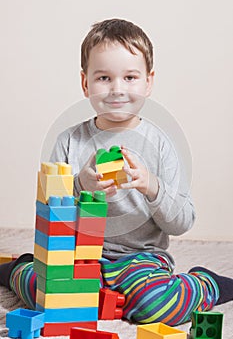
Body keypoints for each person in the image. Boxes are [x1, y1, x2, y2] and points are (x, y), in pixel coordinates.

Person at [1, 18, 233, 326]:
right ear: (86, 83)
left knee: (155, 305)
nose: (117, 89)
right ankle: (17, 269)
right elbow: (50, 215)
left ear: (149, 82)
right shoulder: (69, 141)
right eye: (104, 78)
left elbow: (182, 222)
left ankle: (206, 283)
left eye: (130, 77)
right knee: (53, 297)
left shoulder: (161, 145)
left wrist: (151, 186)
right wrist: (80, 185)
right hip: (77, 258)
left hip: (142, 260)